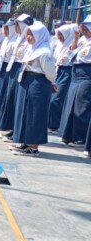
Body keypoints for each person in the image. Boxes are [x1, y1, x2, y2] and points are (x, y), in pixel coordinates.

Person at [9, 22, 57, 157]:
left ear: (39, 35)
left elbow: (50, 72)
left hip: (38, 83)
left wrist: (53, 82)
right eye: (28, 34)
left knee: (35, 113)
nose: (28, 37)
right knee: (24, 111)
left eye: (31, 35)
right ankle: (25, 141)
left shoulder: (44, 52)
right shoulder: (32, 48)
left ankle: (33, 147)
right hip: (27, 80)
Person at [0, 14, 34, 143]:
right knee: (12, 99)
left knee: (17, 100)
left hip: (22, 68)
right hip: (14, 68)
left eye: (18, 25)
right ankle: (13, 129)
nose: (16, 27)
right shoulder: (19, 38)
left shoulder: (27, 40)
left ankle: (16, 131)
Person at [59, 16, 91, 146]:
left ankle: (80, 137)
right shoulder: (82, 40)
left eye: (86, 28)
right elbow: (71, 53)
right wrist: (76, 38)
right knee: (70, 104)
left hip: (87, 74)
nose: (83, 30)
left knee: (82, 106)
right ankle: (68, 134)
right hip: (75, 73)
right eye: (82, 27)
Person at [0, 19, 17, 129]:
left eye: (7, 29)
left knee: (5, 94)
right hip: (1, 67)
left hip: (9, 69)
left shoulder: (15, 41)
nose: (5, 31)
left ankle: (2, 122)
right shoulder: (6, 40)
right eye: (4, 28)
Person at [49, 23, 77, 132]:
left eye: (61, 35)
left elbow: (71, 52)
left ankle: (54, 124)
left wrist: (75, 38)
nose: (59, 37)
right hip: (57, 70)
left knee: (56, 98)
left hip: (66, 72)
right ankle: (51, 122)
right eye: (58, 34)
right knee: (52, 97)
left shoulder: (72, 44)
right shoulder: (60, 45)